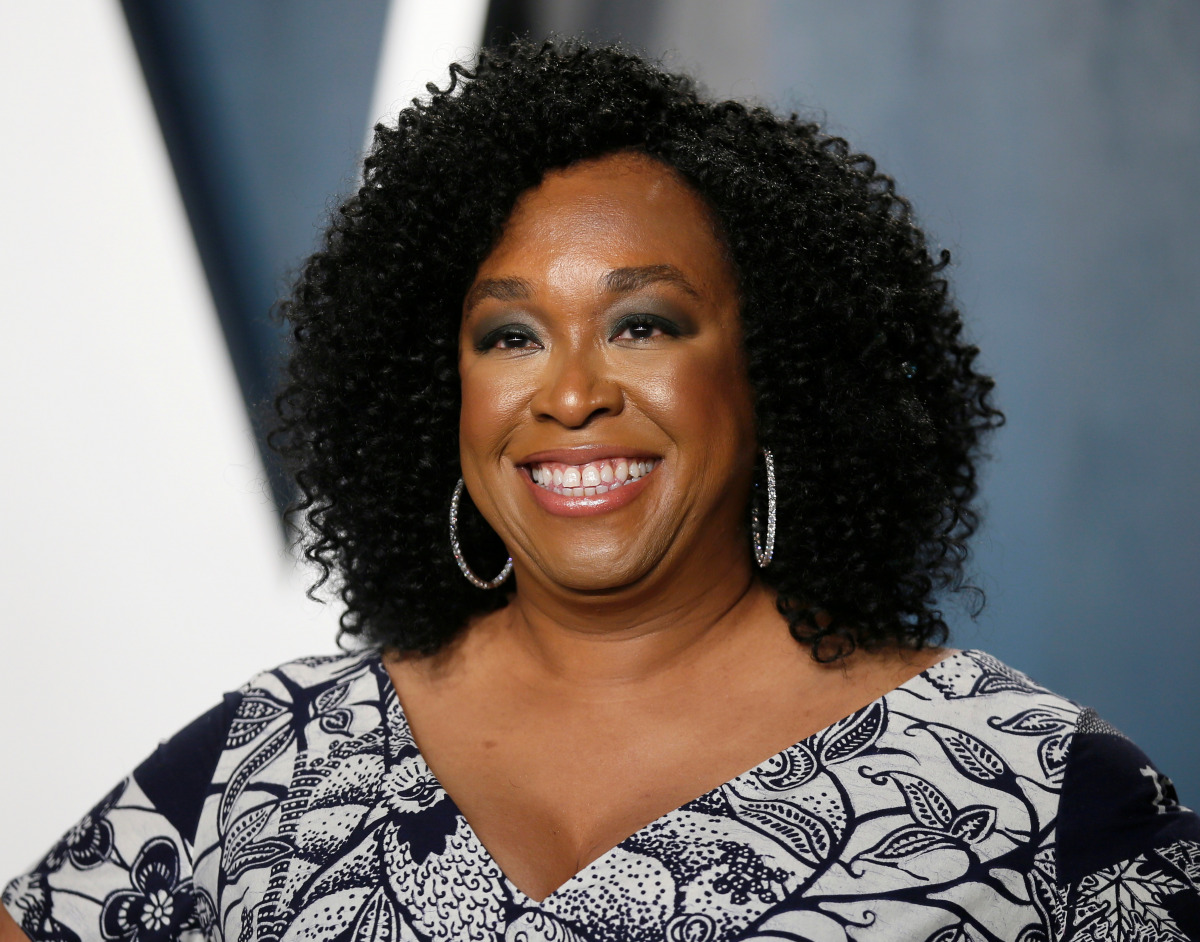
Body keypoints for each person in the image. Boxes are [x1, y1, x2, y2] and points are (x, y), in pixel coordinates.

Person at [4, 39, 1198, 942]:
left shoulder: (1028, 797)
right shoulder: (272, 760)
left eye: (641, 324)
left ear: (771, 368)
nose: (570, 395)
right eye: (510, 337)